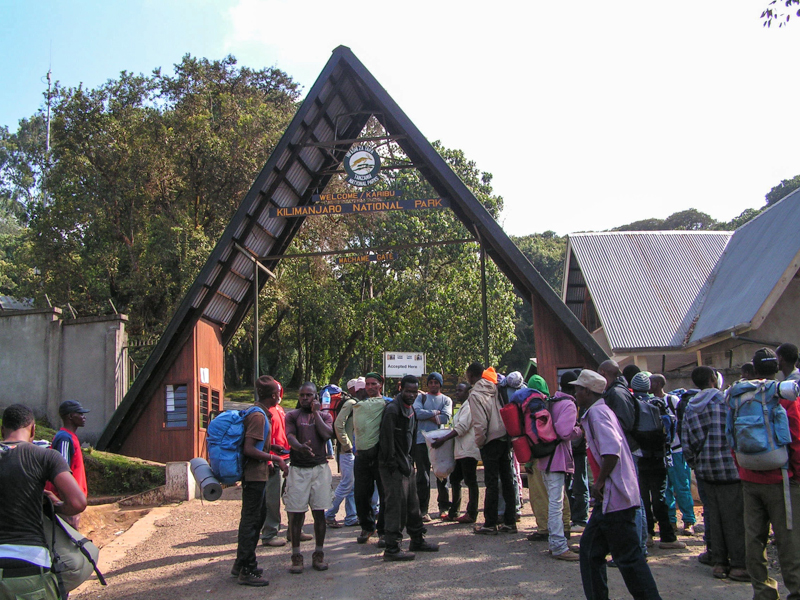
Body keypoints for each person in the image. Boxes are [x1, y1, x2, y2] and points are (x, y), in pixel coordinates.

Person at [573, 371, 662, 600]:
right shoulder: (599, 411)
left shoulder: (598, 414)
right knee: (590, 551)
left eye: (578, 389)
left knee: (628, 558)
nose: (575, 393)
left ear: (587, 392)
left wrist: (600, 481)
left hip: (615, 496)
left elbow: (611, 451)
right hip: (612, 497)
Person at [0, 404, 87, 600]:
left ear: (2, 430)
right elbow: (77, 503)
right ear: (33, 430)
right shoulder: (45, 456)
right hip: (30, 563)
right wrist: (54, 505)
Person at [733, 348, 800, 599]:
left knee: (754, 540)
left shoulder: (739, 397)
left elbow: (732, 438)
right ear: (777, 366)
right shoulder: (784, 396)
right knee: (789, 541)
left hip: (749, 477)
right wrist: (797, 474)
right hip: (782, 478)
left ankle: (763, 592)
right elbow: (796, 438)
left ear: (754, 368)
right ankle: (796, 592)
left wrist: (743, 468)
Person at [680, 366, 748, 581]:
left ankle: (718, 563)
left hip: (704, 470)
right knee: (734, 517)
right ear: (713, 379)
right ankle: (738, 565)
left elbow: (686, 441)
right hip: (730, 469)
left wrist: (695, 463)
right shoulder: (726, 400)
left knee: (713, 516)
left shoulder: (691, 406)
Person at [233, 376, 288, 586]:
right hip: (254, 476)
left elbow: (255, 444)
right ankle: (247, 569)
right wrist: (275, 458)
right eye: (277, 394)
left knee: (256, 518)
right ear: (273, 395)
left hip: (258, 476)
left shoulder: (259, 412)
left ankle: (240, 563)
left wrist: (271, 447)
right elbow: (249, 449)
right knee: (251, 522)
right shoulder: (258, 416)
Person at [379, 375, 439, 561]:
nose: (411, 395)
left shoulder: (411, 409)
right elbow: (386, 440)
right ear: (401, 389)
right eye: (408, 391)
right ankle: (392, 548)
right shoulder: (392, 410)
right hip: (393, 465)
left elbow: (411, 437)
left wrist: (410, 461)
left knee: (413, 504)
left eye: (414, 391)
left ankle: (417, 539)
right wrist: (392, 464)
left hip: (406, 463)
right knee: (395, 506)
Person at [629, 372, 685, 552]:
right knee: (660, 497)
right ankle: (667, 536)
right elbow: (669, 432)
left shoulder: (631, 404)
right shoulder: (658, 403)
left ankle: (647, 535)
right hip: (659, 456)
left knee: (642, 497)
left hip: (639, 457)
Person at [284, 381, 334, 574]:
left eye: (309, 395)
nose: (305, 398)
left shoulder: (325, 416)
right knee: (296, 515)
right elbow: (290, 436)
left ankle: (319, 554)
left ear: (316, 397)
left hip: (319, 469)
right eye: (302, 395)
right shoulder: (292, 415)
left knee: (319, 513)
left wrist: (316, 413)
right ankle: (296, 556)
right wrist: (299, 447)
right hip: (298, 469)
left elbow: (327, 434)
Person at [467, 362, 517, 535]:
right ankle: (510, 521)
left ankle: (490, 522)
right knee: (507, 479)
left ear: (471, 376)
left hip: (490, 440)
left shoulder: (475, 394)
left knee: (491, 482)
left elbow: (480, 423)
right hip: (504, 435)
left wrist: (480, 442)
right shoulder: (496, 387)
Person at [539, 372, 583, 561]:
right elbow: (565, 432)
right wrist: (579, 430)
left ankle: (555, 542)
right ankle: (558, 546)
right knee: (556, 505)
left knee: (553, 502)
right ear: (574, 388)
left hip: (545, 458)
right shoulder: (569, 405)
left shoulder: (552, 401)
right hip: (557, 460)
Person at [650, 373, 696, 537]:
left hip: (676, 450)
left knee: (682, 486)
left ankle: (689, 520)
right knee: (666, 489)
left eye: (651, 382)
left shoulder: (672, 401)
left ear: (658, 384)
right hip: (661, 452)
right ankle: (671, 521)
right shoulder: (650, 402)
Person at [432, 382, 480, 523]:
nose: (457, 393)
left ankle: (472, 512)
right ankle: (454, 512)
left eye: (460, 390)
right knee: (455, 479)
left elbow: (461, 428)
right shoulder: (462, 407)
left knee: (470, 481)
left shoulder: (470, 406)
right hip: (460, 451)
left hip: (468, 450)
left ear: (468, 392)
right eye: (457, 390)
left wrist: (443, 439)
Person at [352, 372, 389, 545]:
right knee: (361, 494)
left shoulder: (387, 404)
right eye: (367, 384)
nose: (370, 387)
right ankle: (367, 527)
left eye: (373, 384)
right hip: (362, 456)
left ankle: (384, 530)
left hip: (380, 456)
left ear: (380, 385)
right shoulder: (360, 405)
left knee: (384, 493)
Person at [412, 372, 453, 521]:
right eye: (431, 382)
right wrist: (435, 413)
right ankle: (423, 510)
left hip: (439, 441)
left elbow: (445, 418)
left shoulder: (446, 400)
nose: (433, 385)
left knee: (442, 474)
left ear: (440, 384)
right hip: (421, 441)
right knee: (422, 477)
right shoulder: (421, 398)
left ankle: (444, 508)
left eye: (436, 382)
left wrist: (428, 415)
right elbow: (417, 413)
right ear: (427, 384)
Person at [46, 400, 90, 530]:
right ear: (70, 416)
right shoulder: (64, 438)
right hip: (66, 502)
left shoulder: (69, 437)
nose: (83, 417)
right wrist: (67, 504)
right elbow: (62, 473)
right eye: (80, 414)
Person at [326, 379, 361, 528]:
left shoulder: (356, 403)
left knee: (351, 485)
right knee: (346, 484)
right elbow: (338, 424)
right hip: (347, 451)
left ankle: (351, 517)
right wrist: (347, 445)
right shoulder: (351, 404)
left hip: (351, 451)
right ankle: (329, 514)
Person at [261, 379, 292, 547]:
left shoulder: (280, 409)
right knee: (272, 499)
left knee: (292, 495)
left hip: (286, 457)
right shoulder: (264, 412)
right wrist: (268, 460)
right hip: (273, 460)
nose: (278, 395)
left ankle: (294, 530)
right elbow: (263, 440)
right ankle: (269, 533)